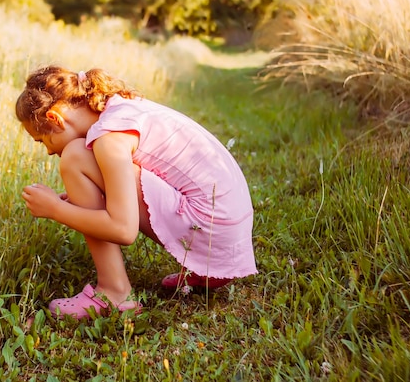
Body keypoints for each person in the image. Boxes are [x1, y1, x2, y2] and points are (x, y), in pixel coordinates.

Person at [17, 65, 257, 319]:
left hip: (211, 229)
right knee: (80, 157)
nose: (49, 151)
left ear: (55, 118)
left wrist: (55, 209)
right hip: (227, 230)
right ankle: (205, 272)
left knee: (75, 157)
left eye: (43, 140)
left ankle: (114, 291)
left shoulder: (109, 140)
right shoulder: (117, 109)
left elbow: (123, 229)